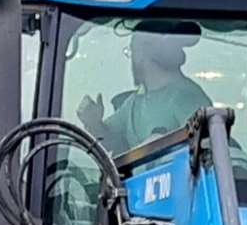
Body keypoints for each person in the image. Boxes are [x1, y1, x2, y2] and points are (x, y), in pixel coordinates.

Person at [77, 21, 209, 155]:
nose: (132, 58)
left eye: (132, 50)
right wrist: (94, 122)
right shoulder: (135, 102)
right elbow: (107, 143)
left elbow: (204, 150)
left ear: (145, 52)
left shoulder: (187, 97)